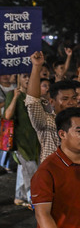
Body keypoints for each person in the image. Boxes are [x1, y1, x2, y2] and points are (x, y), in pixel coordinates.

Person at [26, 52, 78, 163]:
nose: (71, 102)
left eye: (74, 98)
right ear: (52, 102)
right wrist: (36, 67)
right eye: (65, 99)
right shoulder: (47, 122)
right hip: (53, 175)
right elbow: (33, 102)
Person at [4, 74, 41, 208]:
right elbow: (7, 116)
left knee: (29, 170)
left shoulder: (35, 96)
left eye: (30, 77)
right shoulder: (12, 95)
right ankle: (34, 200)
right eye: (25, 76)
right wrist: (14, 98)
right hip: (21, 141)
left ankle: (22, 196)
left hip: (35, 140)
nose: (28, 80)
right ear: (19, 78)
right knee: (31, 170)